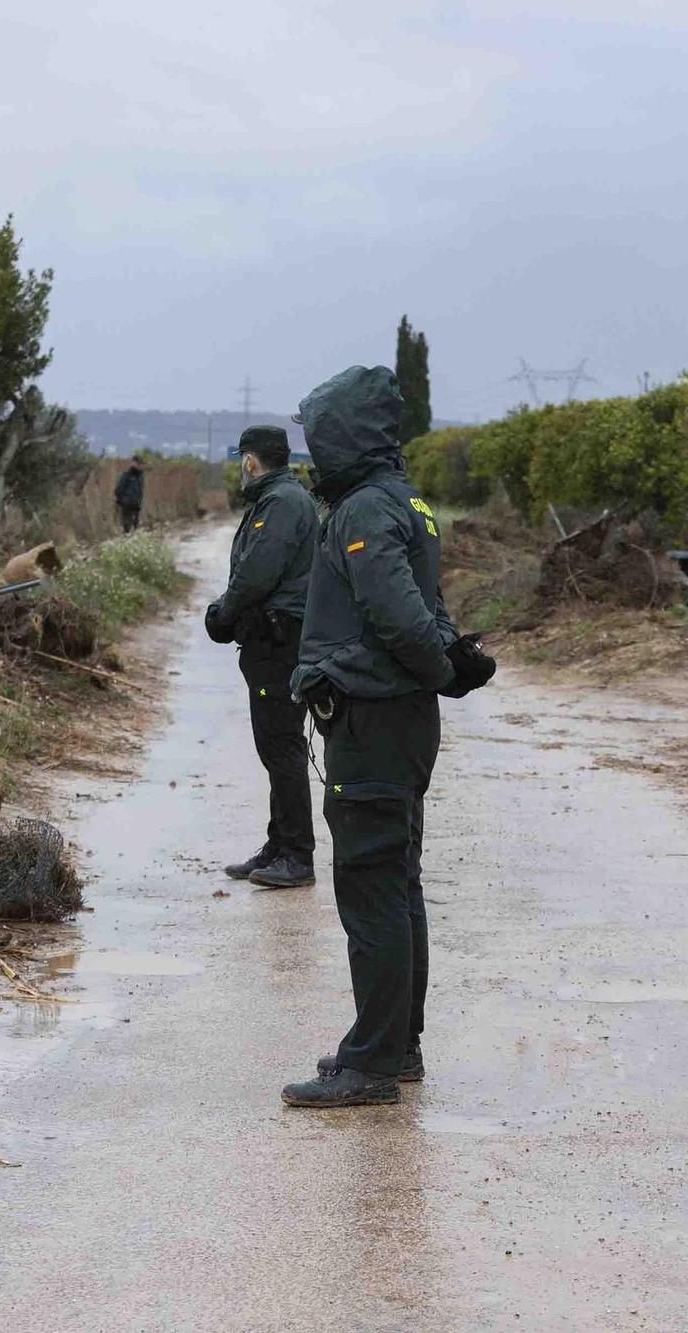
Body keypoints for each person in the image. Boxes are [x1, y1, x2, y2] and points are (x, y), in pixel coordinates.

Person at [280, 366, 495, 1109]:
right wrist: (452, 664)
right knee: (397, 882)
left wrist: (443, 665)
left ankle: (372, 1060)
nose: (313, 450)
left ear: (344, 433)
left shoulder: (365, 508)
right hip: (398, 720)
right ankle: (395, 1046)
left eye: (320, 434)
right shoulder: (405, 501)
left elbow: (399, 613)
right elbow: (426, 608)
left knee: (372, 884)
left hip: (373, 721)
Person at [204, 425, 318, 889]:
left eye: (241, 460)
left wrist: (223, 613)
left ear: (251, 461)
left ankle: (296, 854)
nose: (240, 468)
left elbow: (256, 574)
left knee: (282, 745)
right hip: (271, 640)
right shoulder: (276, 500)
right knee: (273, 745)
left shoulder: (282, 503)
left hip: (280, 641)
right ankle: (279, 845)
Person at [113, 453, 146, 532]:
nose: (138, 465)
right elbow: (118, 489)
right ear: (132, 463)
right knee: (126, 526)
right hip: (126, 504)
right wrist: (121, 500)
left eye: (140, 464)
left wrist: (139, 501)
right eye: (137, 463)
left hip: (136, 504)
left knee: (135, 525)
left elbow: (140, 490)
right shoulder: (126, 475)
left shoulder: (140, 476)